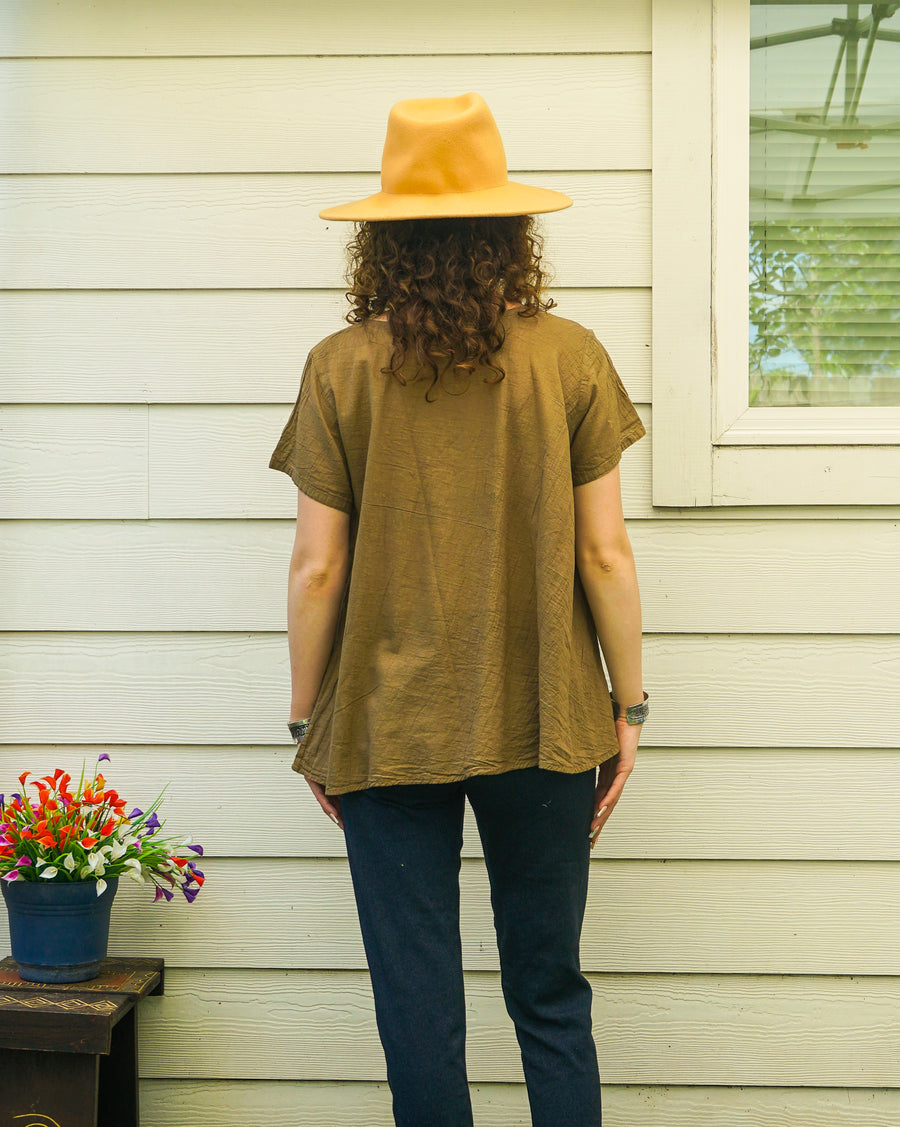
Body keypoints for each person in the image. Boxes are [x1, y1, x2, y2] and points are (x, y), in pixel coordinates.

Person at [268, 92, 648, 1127]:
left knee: (417, 1006)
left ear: (382, 240)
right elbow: (605, 551)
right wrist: (632, 705)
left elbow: (315, 568)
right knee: (551, 995)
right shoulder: (570, 356)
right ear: (509, 230)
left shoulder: (339, 367)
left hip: (387, 727)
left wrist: (309, 721)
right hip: (548, 716)